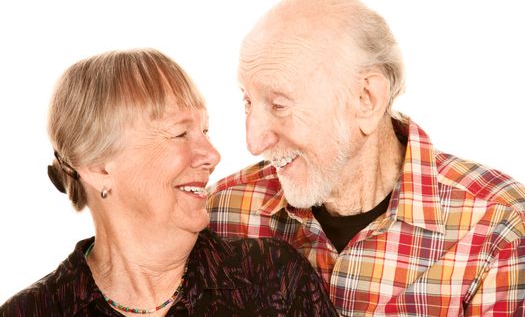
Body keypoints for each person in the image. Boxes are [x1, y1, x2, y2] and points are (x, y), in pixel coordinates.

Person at [207, 0, 525, 316]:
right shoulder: (220, 212)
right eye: (248, 101)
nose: (254, 142)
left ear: (366, 100)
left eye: (279, 105)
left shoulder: (497, 226)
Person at [0, 49, 338, 316]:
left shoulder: (273, 280)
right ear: (98, 167)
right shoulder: (32, 311)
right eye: (180, 133)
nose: (211, 154)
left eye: (205, 131)